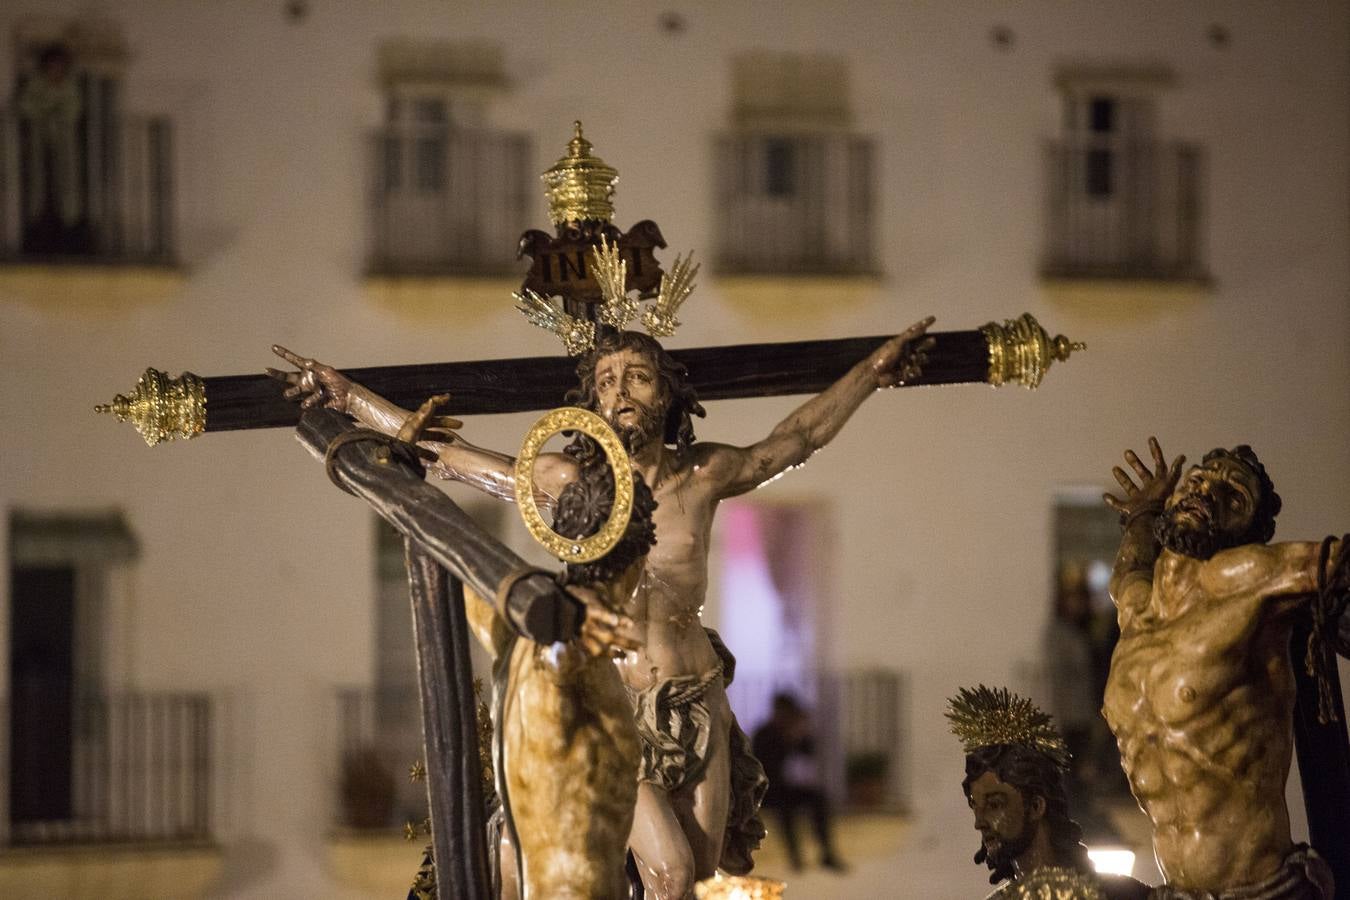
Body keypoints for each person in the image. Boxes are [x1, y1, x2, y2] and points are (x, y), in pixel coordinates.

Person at [269, 316, 933, 898]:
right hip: (615, 708)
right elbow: (447, 455)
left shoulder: (702, 477)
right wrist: (351, 398)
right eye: (608, 379)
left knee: (694, 879)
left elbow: (796, 439)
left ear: (666, 393)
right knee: (668, 871)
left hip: (695, 700)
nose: (620, 391)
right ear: (589, 403)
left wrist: (872, 372)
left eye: (638, 376)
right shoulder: (565, 482)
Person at [1101, 438, 1345, 898]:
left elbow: (1336, 564)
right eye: (1199, 479)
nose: (1206, 491)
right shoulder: (1134, 605)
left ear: (1245, 532)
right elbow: (1131, 562)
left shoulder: (1247, 580)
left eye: (1233, 497)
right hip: (1177, 891)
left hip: (1264, 889)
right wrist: (1142, 512)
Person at [462, 430, 656, 899]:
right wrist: (569, 619)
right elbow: (557, 659)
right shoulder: (562, 643)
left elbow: (473, 582)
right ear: (636, 561)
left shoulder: (517, 630)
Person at [948, 685, 1149, 900]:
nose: (980, 822)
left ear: (1035, 806)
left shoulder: (1121, 895)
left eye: (995, 805)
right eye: (975, 806)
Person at [751, 692, 844, 872]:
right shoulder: (764, 733)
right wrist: (787, 740)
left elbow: (808, 752)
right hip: (767, 791)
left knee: (818, 798)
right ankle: (795, 857)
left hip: (788, 788)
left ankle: (827, 853)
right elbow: (764, 764)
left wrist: (799, 734)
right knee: (784, 808)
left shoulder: (792, 731)